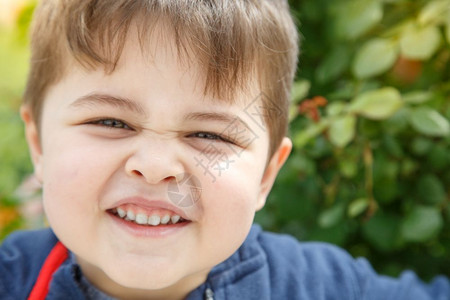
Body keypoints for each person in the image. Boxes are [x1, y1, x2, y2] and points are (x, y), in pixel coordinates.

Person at [0, 0, 449, 299]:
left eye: (210, 136)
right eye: (111, 122)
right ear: (38, 144)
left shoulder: (315, 287)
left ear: (266, 177)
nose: (155, 168)